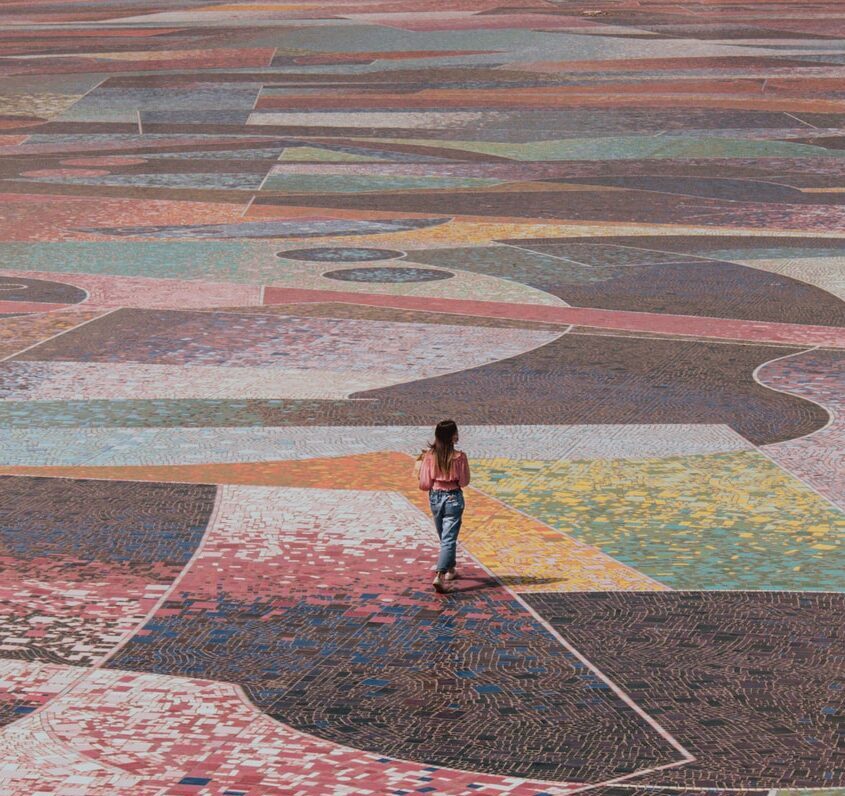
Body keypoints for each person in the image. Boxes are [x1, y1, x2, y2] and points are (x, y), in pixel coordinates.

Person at [416, 419, 470, 593]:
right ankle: (440, 573)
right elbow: (464, 481)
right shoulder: (460, 457)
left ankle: (449, 569)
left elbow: (425, 484)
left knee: (445, 536)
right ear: (453, 436)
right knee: (448, 537)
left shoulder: (429, 456)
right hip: (454, 497)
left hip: (436, 497)